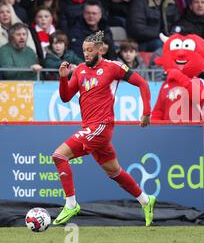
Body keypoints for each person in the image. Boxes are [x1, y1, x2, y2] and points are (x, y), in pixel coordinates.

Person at [51, 31, 156, 226]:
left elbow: (142, 83)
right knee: (114, 172)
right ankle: (145, 200)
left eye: (90, 50)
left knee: (59, 156)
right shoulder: (81, 70)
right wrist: (64, 78)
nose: (86, 54)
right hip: (90, 127)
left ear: (101, 49)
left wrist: (147, 112)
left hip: (101, 126)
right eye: (84, 50)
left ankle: (71, 204)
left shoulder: (113, 67)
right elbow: (65, 97)